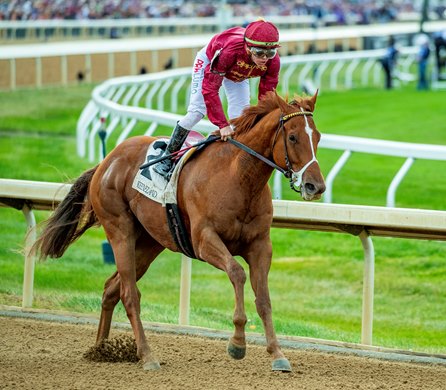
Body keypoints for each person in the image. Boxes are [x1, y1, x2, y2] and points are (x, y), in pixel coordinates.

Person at [153, 19, 281, 179]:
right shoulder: (230, 51)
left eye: (270, 53)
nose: (264, 58)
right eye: (259, 53)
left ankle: (233, 164)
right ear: (247, 47)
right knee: (197, 112)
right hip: (212, 62)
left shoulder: (273, 62)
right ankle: (166, 157)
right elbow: (210, 90)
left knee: (240, 119)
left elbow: (266, 97)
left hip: (238, 71)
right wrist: (222, 125)